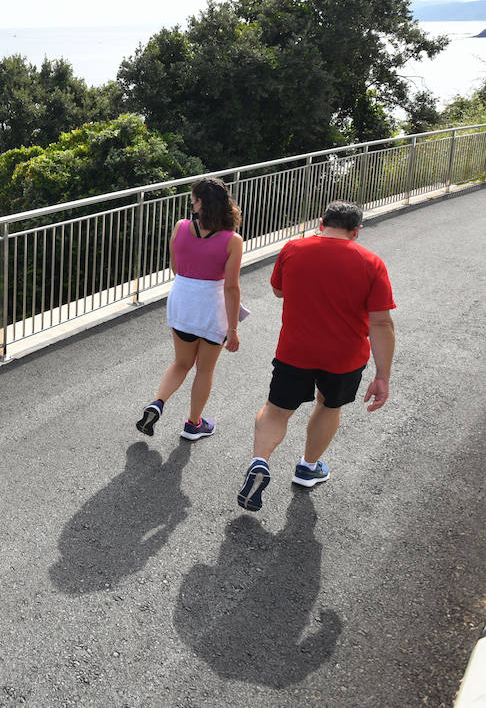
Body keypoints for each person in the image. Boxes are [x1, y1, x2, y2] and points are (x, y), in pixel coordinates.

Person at [236, 200, 396, 512]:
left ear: (321, 223)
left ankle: (260, 461)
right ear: (356, 231)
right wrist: (382, 376)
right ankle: (308, 467)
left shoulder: (294, 249)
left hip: (295, 350)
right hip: (344, 356)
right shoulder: (371, 263)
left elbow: (279, 291)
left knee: (276, 410)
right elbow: (381, 323)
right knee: (328, 405)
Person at [136, 177, 244, 441]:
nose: (191, 204)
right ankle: (193, 424)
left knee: (181, 363)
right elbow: (231, 288)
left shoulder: (180, 227)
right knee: (204, 370)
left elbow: (175, 267)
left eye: (193, 200)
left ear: (200, 204)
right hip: (211, 307)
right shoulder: (233, 240)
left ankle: (158, 403)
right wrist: (233, 329)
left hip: (182, 301)